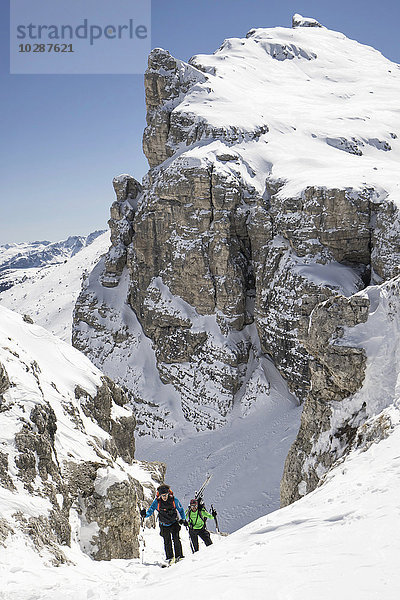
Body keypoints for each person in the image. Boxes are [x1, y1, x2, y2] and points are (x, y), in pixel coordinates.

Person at [141, 484, 187, 564]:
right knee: (167, 541)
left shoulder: (174, 500)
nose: (164, 497)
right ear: (160, 495)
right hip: (164, 524)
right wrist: (145, 515)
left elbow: (181, 510)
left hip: (174, 523)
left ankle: (179, 556)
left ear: (168, 494)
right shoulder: (157, 502)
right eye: (163, 495)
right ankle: (170, 557)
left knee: (176, 539)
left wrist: (183, 519)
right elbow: (151, 510)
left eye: (165, 495)